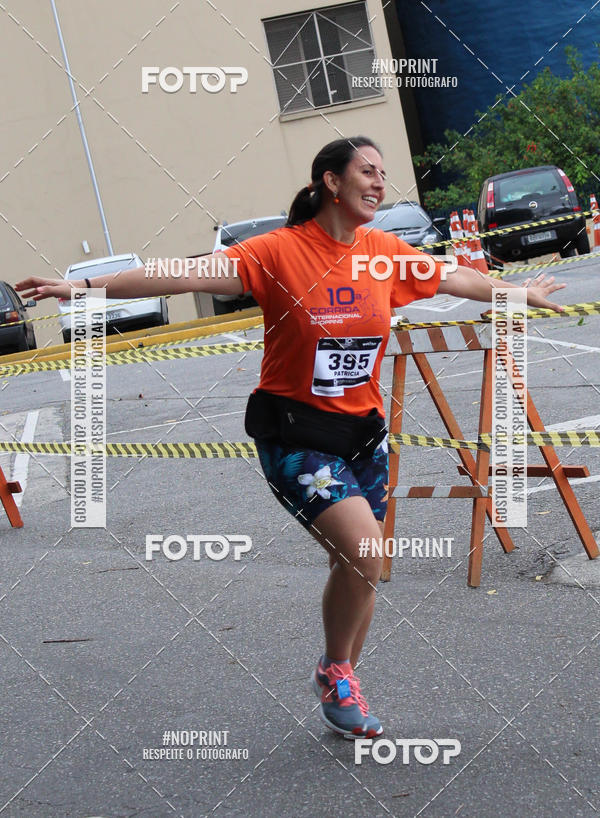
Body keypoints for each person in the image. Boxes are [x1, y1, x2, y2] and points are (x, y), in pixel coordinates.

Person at [16, 136, 566, 741]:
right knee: (361, 549)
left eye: (384, 173)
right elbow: (178, 275)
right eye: (367, 171)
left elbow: (457, 277)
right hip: (294, 433)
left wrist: (520, 294)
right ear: (331, 182)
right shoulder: (277, 252)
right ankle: (338, 674)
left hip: (362, 433)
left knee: (364, 564)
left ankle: (339, 674)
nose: (379, 183)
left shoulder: (383, 253)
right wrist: (84, 290)